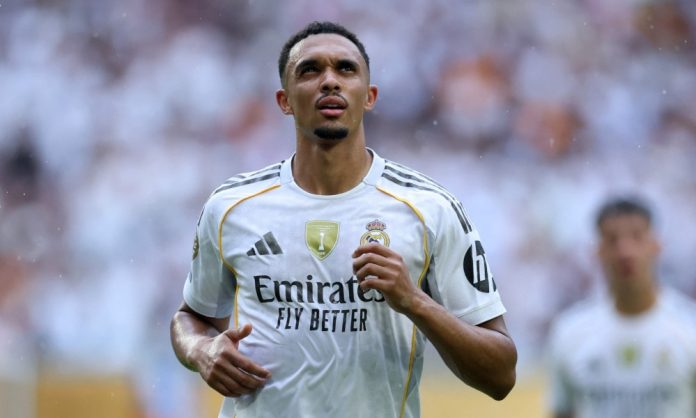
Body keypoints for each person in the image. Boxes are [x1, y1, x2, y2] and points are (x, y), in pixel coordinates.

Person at [170, 21, 517, 418]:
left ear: (369, 96)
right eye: (310, 70)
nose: (330, 81)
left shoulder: (429, 208)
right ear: (284, 101)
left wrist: (414, 301)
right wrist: (202, 349)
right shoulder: (232, 206)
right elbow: (191, 316)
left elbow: (501, 375)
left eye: (346, 69)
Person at [547, 197, 696, 418]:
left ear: (656, 245)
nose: (625, 251)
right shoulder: (570, 331)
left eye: (637, 237)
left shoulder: (690, 327)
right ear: (597, 251)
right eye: (612, 240)